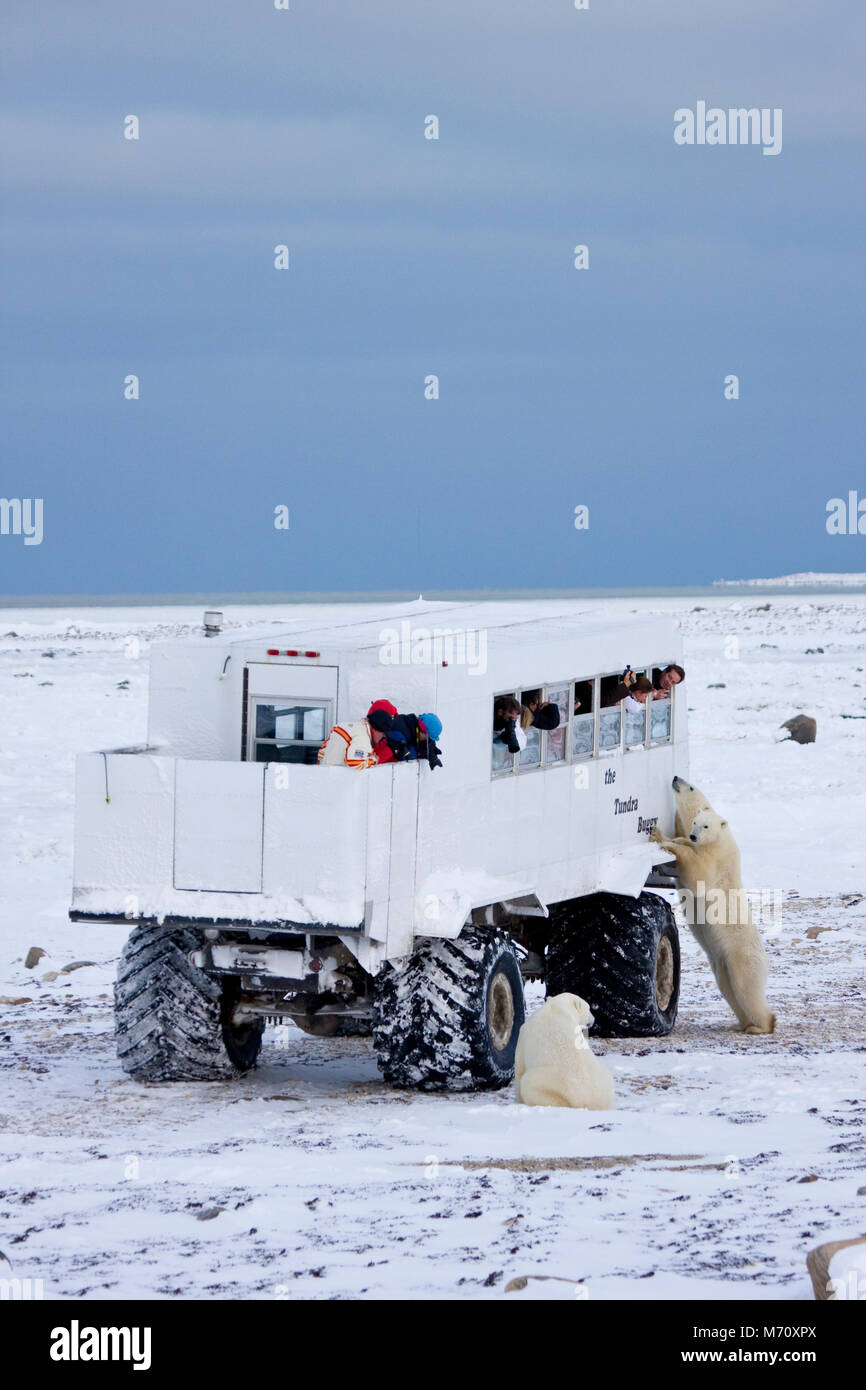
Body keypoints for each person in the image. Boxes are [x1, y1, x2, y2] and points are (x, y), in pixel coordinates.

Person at [318, 699, 397, 769]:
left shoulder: (340, 726)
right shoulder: (362, 737)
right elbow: (354, 762)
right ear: (375, 728)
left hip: (325, 775)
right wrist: (375, 759)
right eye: (384, 732)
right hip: (336, 779)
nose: (384, 736)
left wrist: (322, 769)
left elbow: (321, 752)